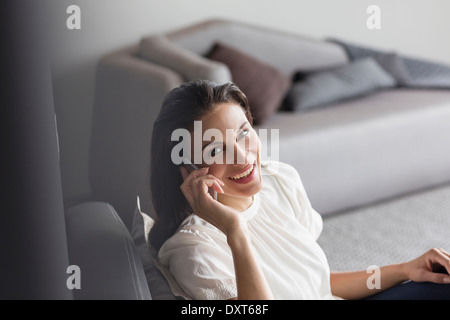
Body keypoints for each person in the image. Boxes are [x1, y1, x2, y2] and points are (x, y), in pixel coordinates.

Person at [148, 80, 450, 300]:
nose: (243, 157)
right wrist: (235, 231)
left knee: (441, 283)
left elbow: (320, 286)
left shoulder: (279, 182)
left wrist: (405, 269)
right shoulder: (195, 251)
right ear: (186, 168)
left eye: (243, 133)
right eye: (216, 150)